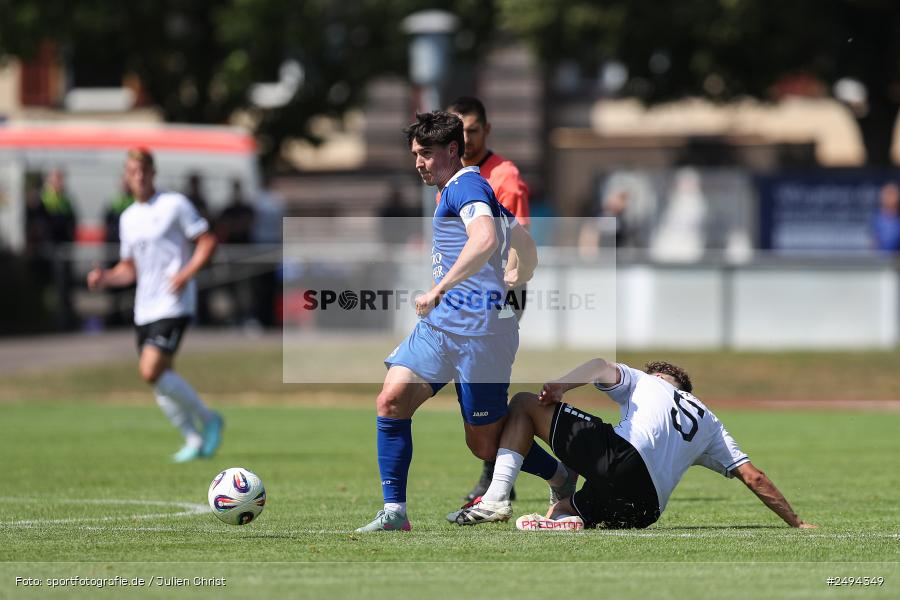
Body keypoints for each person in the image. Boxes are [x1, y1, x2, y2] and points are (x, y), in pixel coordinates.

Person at [355, 111, 575, 532]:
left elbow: (486, 238)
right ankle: (394, 513)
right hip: (441, 329)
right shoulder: (462, 189)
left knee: (484, 444)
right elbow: (519, 238)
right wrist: (521, 268)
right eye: (415, 154)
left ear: (452, 150)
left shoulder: (467, 185)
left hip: (481, 333)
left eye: (425, 154)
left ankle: (561, 477)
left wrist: (439, 289)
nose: (418, 162)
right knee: (392, 400)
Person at [454, 357, 817, 531]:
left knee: (523, 404)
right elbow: (754, 477)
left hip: (621, 460)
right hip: (644, 509)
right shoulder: (711, 424)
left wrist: (563, 385)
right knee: (564, 506)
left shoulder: (647, 381)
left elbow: (598, 364)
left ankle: (497, 497)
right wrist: (797, 523)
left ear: (665, 379)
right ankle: (568, 519)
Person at [87, 148, 223, 463]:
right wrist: (105, 278)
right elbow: (129, 268)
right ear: (126, 176)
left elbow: (207, 241)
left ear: (153, 172)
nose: (139, 176)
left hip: (174, 304)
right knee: (162, 382)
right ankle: (192, 438)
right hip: (144, 308)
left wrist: (186, 274)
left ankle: (208, 419)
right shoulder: (128, 218)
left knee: (150, 371)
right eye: (132, 171)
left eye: (144, 170)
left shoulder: (174, 204)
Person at [446, 96, 531, 502]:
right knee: (469, 385)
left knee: (486, 388)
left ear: (487, 131)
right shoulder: (455, 174)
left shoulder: (503, 176)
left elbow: (518, 239)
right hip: (465, 297)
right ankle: (500, 474)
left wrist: (506, 293)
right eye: (459, 130)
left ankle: (497, 479)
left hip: (497, 295)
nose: (466, 138)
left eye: (473, 130)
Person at [872, 182, 900, 254]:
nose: (889, 198)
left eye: (892, 194)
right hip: (882, 259)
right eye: (886, 194)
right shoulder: (877, 218)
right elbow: (874, 241)